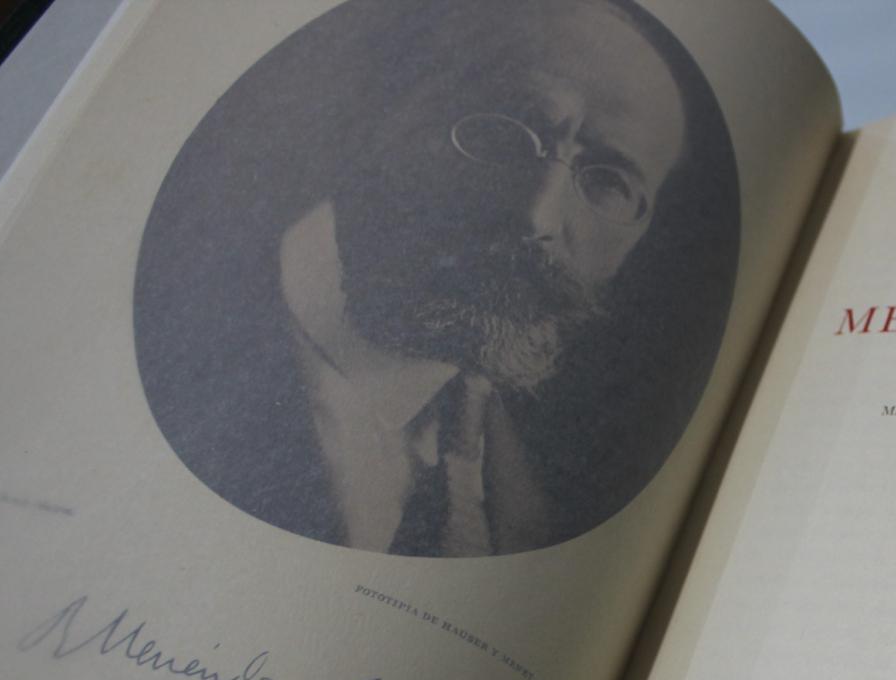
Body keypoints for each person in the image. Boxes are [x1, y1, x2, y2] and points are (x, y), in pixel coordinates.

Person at [135, 0, 736, 556]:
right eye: (499, 133)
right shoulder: (169, 333)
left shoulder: (530, 494)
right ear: (385, 112)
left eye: (608, 182)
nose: (536, 217)